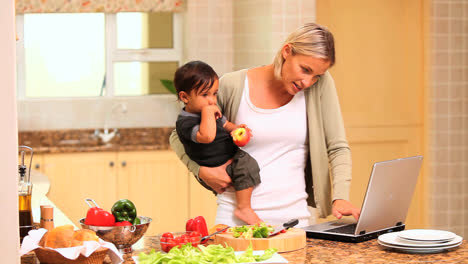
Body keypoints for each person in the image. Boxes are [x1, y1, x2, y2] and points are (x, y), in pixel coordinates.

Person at [170, 23, 361, 227]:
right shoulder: (233, 85)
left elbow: (337, 146)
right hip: (234, 220)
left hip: (295, 220)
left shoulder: (319, 87)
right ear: (287, 51)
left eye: (316, 76)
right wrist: (200, 170)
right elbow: (177, 134)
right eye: (304, 69)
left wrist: (340, 196)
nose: (308, 81)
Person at [173, 60, 263, 225]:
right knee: (246, 165)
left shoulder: (210, 110)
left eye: (214, 94)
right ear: (185, 97)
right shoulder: (185, 123)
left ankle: (244, 204)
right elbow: (206, 136)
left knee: (247, 162)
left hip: (228, 155)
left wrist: (237, 129)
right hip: (215, 165)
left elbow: (225, 124)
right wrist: (208, 114)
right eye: (205, 95)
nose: (212, 100)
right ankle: (244, 208)